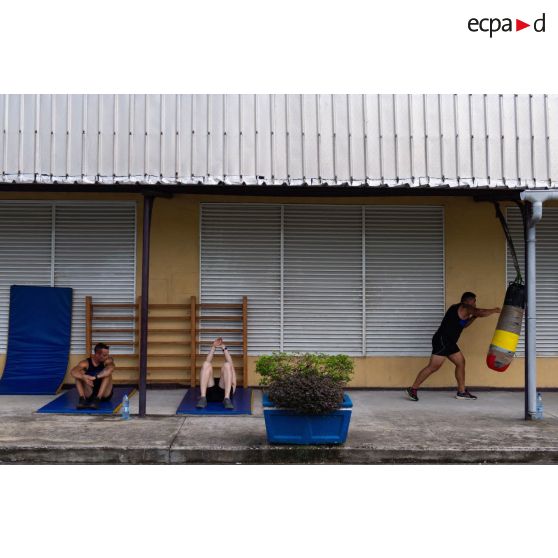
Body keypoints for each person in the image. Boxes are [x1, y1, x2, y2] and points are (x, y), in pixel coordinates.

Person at [406, 292, 500, 401]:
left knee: (461, 362)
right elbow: (481, 312)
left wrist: (474, 317)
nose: (475, 304)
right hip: (442, 341)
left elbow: (463, 325)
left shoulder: (459, 309)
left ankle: (462, 392)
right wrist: (494, 310)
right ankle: (413, 389)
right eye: (474, 301)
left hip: (449, 342)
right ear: (468, 301)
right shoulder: (465, 307)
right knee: (433, 366)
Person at [70, 342, 115, 409]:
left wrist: (95, 377)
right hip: (90, 392)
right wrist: (83, 377)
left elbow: (111, 368)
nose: (107, 357)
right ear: (97, 354)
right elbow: (73, 371)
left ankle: (97, 399)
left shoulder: (107, 361)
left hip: (105, 394)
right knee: (79, 373)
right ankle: (82, 399)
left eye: (107, 355)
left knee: (107, 374)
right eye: (105, 355)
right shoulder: (85, 363)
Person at [196, 337, 236, 410]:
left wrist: (224, 348)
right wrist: (213, 347)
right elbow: (207, 362)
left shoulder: (230, 379)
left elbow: (230, 363)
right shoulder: (209, 382)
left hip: (224, 394)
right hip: (209, 394)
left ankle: (227, 399)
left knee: (227, 365)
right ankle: (202, 398)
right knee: (206, 364)